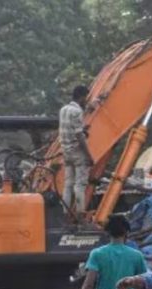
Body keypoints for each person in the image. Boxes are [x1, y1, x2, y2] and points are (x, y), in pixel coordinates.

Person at [59, 85, 93, 218]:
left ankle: (65, 214)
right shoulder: (77, 112)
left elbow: (70, 128)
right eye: (86, 98)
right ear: (82, 97)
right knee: (80, 185)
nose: (87, 101)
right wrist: (88, 156)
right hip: (77, 152)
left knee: (68, 184)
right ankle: (80, 216)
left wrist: (83, 128)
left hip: (66, 152)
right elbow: (79, 137)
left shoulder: (63, 110)